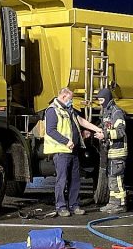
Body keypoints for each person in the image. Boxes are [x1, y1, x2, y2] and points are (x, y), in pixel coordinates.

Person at [43, 87, 102, 218]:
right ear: (63, 97)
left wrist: (96, 129)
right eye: (70, 99)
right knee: (62, 180)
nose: (71, 102)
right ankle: (61, 206)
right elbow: (50, 130)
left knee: (75, 180)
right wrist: (65, 141)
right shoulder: (53, 110)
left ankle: (74, 205)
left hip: (73, 151)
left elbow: (80, 121)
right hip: (61, 151)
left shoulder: (68, 110)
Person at [96, 86, 128, 213]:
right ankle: (113, 202)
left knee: (117, 179)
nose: (99, 103)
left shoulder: (116, 112)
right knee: (111, 178)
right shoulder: (106, 112)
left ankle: (121, 204)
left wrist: (105, 135)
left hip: (118, 151)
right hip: (110, 151)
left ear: (107, 98)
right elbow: (104, 126)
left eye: (101, 100)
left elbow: (120, 132)